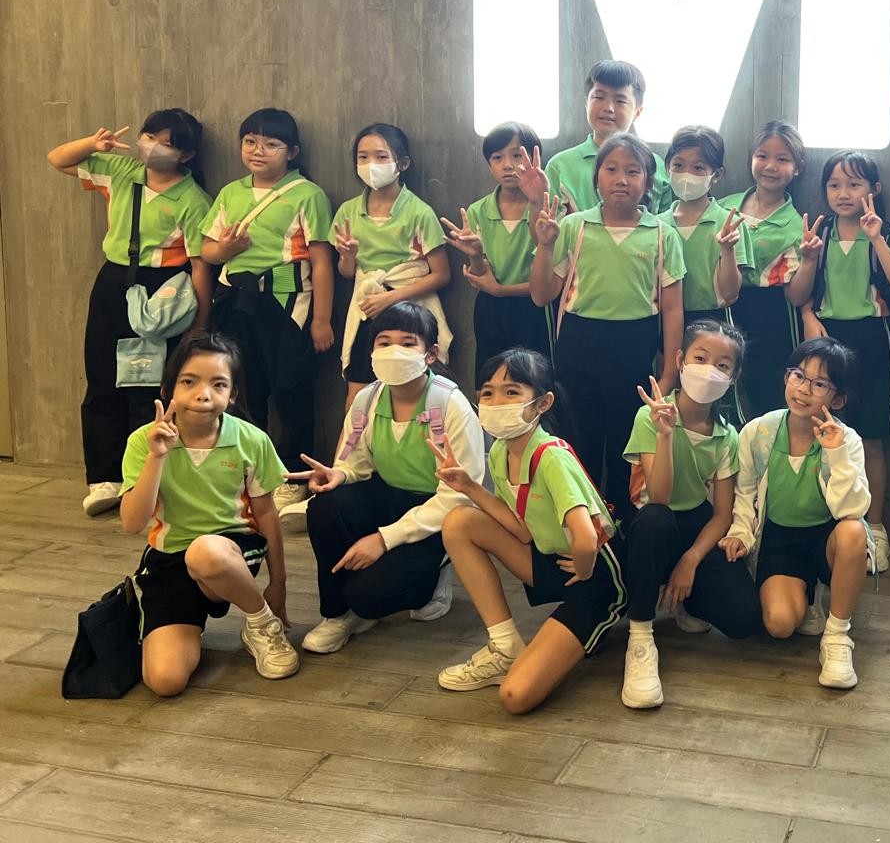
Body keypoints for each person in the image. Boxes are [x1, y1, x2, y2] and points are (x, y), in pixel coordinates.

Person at [433, 348, 624, 712]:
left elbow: (586, 539)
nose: (496, 402)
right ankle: (505, 645)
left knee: (515, 696)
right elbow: (521, 531)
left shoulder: (552, 456)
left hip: (593, 577)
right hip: (552, 559)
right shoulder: (500, 452)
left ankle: (592, 624)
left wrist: (584, 570)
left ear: (543, 403)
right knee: (459, 521)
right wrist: (470, 487)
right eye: (487, 393)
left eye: (512, 392)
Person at [48, 110, 215, 517]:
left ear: (186, 155)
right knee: (103, 377)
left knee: (149, 385)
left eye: (167, 143)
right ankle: (103, 479)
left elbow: (200, 266)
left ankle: (142, 479)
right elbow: (58, 159)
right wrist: (93, 144)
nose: (153, 147)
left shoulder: (194, 200)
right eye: (149, 136)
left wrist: (198, 325)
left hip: (163, 295)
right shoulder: (122, 171)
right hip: (113, 284)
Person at [295, 302, 483, 654]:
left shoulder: (451, 405)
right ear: (371, 351)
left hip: (439, 511)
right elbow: (357, 463)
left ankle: (438, 568)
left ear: (431, 354)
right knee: (325, 507)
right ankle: (338, 613)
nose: (394, 351)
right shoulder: (367, 400)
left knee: (371, 597)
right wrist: (339, 474)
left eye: (408, 343)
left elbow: (461, 495)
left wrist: (384, 540)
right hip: (388, 496)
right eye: (384, 342)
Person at [119, 333, 298, 694]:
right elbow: (133, 523)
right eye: (189, 382)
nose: (203, 394)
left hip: (231, 551)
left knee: (206, 551)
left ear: (232, 395)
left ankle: (262, 624)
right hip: (171, 560)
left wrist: (278, 584)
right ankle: (181, 626)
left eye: (218, 384)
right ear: (169, 389)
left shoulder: (252, 440)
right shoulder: (142, 441)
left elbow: (267, 514)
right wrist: (157, 456)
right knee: (165, 681)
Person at [531, 133, 686, 513]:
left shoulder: (663, 235)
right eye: (611, 169)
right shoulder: (574, 227)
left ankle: (622, 524)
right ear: (596, 178)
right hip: (578, 345)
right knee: (578, 439)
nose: (621, 179)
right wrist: (545, 246)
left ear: (648, 182)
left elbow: (672, 309)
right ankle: (582, 520)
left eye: (633, 171)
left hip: (634, 348)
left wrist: (669, 371)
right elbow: (541, 295)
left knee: (626, 443)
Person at [619, 319, 761, 709]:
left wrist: (691, 561)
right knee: (654, 519)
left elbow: (722, 513)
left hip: (697, 524)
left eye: (722, 365)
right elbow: (659, 497)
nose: (709, 370)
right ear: (681, 360)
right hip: (653, 523)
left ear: (733, 378)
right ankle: (641, 638)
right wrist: (665, 434)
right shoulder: (650, 416)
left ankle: (685, 599)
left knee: (745, 619)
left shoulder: (728, 436)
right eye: (700, 358)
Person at [720, 338, 872, 690]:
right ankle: (808, 592)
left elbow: (852, 510)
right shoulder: (758, 432)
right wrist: (740, 533)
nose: (803, 389)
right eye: (798, 375)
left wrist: (836, 453)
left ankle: (837, 636)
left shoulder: (847, 439)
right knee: (779, 625)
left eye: (819, 384)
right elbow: (745, 494)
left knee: (853, 532)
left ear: (837, 399)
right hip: (780, 541)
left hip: (826, 538)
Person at [788, 150, 890, 569]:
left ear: (874, 189)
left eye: (854, 184)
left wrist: (876, 238)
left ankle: (875, 529)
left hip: (873, 339)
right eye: (834, 185)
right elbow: (796, 295)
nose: (843, 193)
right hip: (826, 339)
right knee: (819, 431)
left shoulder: (884, 231)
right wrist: (808, 305)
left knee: (871, 439)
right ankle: (824, 523)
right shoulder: (818, 232)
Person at [200, 108, 336, 489]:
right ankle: (244, 475)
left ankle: (293, 480)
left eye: (271, 144)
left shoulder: (308, 194)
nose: (258, 150)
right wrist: (225, 250)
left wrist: (322, 319)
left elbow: (322, 261)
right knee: (242, 389)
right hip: (233, 302)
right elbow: (207, 250)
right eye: (250, 141)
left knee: (292, 391)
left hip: (287, 303)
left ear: (292, 152)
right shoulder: (231, 192)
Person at [330, 123, 451, 413]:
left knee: (416, 389)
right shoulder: (348, 211)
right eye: (363, 157)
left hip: (410, 310)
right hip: (366, 309)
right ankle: (352, 443)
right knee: (358, 392)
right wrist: (348, 257)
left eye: (381, 156)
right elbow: (347, 273)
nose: (371, 164)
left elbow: (441, 273)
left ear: (403, 163)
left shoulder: (419, 212)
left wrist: (391, 298)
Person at [441, 121, 554, 364]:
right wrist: (475, 255)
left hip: (536, 309)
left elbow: (550, 281)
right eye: (497, 157)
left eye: (517, 155)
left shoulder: (550, 208)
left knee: (535, 373)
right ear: (489, 165)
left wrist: (500, 290)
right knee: (491, 371)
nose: (508, 165)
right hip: (491, 308)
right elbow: (481, 277)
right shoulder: (477, 211)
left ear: (534, 158)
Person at [724, 121, 807, 419]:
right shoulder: (724, 208)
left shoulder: (797, 226)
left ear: (797, 168)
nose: (770, 166)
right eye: (762, 156)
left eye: (782, 159)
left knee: (767, 393)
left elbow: (796, 295)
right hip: (724, 306)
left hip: (772, 315)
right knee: (724, 391)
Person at [542, 59, 670, 213]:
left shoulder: (656, 165)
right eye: (599, 97)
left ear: (637, 112)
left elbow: (667, 221)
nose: (608, 108)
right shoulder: (560, 166)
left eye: (620, 100)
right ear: (586, 103)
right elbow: (548, 224)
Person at [665, 126, 750, 330]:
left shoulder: (730, 224)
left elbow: (730, 294)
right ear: (667, 167)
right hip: (665, 320)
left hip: (714, 323)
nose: (686, 174)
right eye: (678, 165)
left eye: (698, 168)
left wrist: (727, 250)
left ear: (717, 174)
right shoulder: (658, 225)